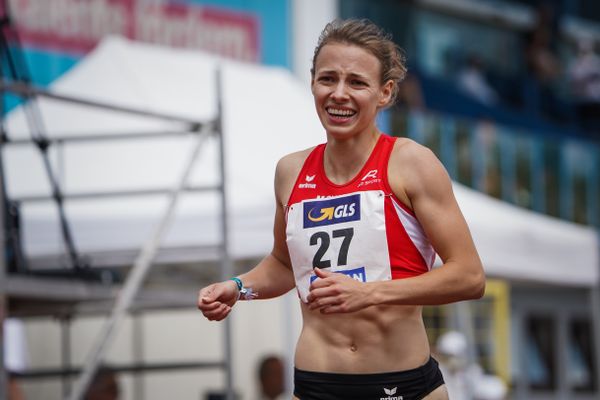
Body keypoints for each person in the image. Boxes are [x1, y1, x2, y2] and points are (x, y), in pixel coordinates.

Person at [198, 19, 485, 400]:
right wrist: (238, 287)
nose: (339, 94)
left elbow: (469, 277)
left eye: (357, 83)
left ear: (384, 93)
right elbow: (285, 266)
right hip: (317, 384)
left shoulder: (411, 163)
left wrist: (371, 293)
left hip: (402, 383)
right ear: (313, 82)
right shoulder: (290, 171)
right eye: (328, 79)